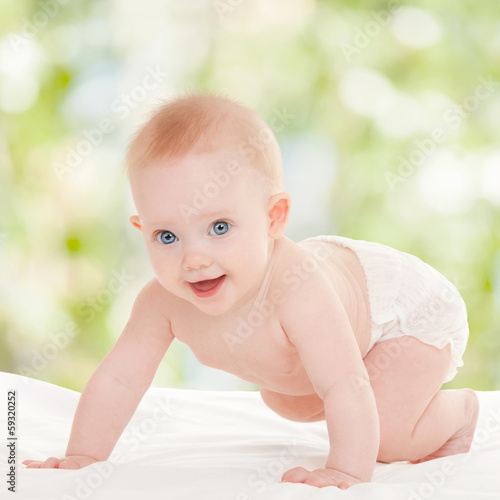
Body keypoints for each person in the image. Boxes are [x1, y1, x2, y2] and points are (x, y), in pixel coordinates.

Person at [23, 94, 479, 489]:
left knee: (386, 434)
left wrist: (346, 472)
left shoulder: (297, 289)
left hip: (402, 312)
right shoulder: (161, 302)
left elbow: (344, 381)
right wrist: (82, 457)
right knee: (286, 399)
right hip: (341, 308)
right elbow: (120, 379)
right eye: (167, 236)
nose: (194, 258)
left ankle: (458, 412)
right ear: (141, 229)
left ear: (274, 219)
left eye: (219, 227)